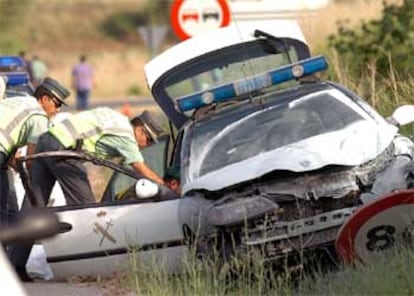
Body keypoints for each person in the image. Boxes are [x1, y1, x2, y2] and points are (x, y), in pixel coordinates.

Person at [9, 108, 166, 281]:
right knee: (85, 211)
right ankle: (84, 269)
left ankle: (15, 267)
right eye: (149, 140)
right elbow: (140, 169)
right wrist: (167, 188)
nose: (147, 145)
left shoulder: (117, 119)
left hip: (46, 141)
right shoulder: (126, 137)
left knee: (32, 208)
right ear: (140, 129)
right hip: (63, 151)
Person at [0, 77, 69, 230]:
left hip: (3, 155)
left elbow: (11, 152)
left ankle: (9, 242)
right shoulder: (39, 116)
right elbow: (32, 161)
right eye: (57, 104)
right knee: (3, 212)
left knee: (8, 203)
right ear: (45, 99)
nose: (58, 110)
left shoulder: (17, 100)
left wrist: (16, 166)